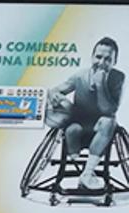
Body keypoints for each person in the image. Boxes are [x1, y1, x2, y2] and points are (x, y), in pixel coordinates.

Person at [48, 37, 124, 191]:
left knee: (109, 120)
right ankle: (77, 163)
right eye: (98, 57)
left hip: (102, 132)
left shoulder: (118, 78)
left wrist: (100, 84)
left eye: (108, 59)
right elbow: (56, 90)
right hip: (77, 128)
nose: (102, 62)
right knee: (72, 127)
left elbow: (108, 110)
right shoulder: (80, 76)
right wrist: (54, 95)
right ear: (92, 57)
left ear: (114, 62)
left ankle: (87, 174)